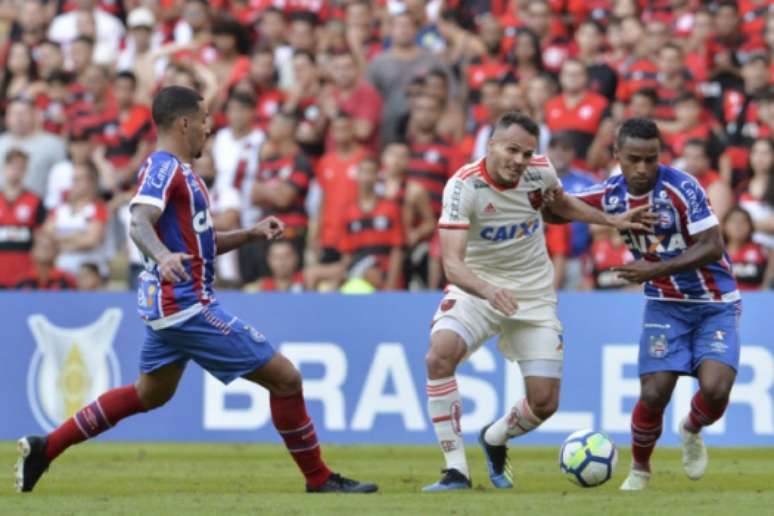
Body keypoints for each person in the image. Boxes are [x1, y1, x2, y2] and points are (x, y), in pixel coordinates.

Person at [15, 85, 377, 495]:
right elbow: (138, 221)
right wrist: (163, 255)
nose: (209, 127)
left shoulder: (184, 174)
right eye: (204, 120)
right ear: (184, 123)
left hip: (169, 305)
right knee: (287, 379)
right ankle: (319, 478)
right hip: (186, 304)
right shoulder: (163, 167)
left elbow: (200, 244)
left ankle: (46, 447)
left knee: (148, 394)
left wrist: (250, 234)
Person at [422, 111, 653, 491]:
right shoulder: (462, 187)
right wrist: (488, 290)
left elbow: (560, 205)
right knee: (439, 356)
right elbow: (452, 264)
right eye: (512, 150)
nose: (519, 160)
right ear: (491, 145)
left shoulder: (540, 173)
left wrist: (612, 221)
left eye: (527, 153)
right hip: (476, 290)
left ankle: (494, 437)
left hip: (533, 295)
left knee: (544, 403)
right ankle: (456, 470)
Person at [574, 118, 742, 491]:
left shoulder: (683, 188)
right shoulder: (612, 195)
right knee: (654, 391)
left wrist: (655, 267)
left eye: (651, 159)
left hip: (715, 300)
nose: (643, 168)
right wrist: (606, 218)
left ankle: (691, 428)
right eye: (633, 159)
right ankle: (640, 469)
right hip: (665, 303)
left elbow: (713, 245)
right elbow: (556, 209)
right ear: (616, 155)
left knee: (715, 389)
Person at [0, 149, 47, 287]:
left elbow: (40, 236)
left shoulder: (35, 201)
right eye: (13, 166)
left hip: (25, 268)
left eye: (21, 168)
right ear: (5, 167)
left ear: (26, 171)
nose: (16, 171)